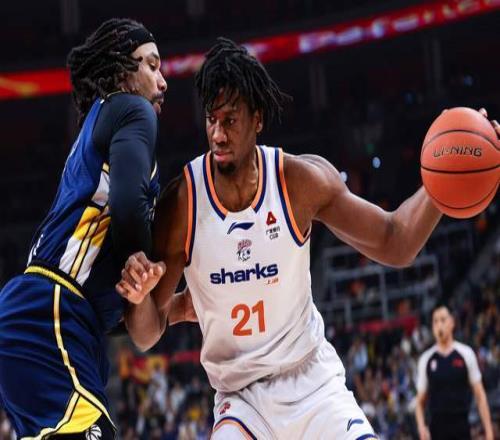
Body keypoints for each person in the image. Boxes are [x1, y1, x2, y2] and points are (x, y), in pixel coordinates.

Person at [117, 38, 500, 439]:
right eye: (212, 120)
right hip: (241, 400)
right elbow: (146, 333)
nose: (218, 134)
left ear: (257, 119)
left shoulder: (299, 182)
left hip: (313, 384)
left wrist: (442, 184)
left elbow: (396, 241)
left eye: (230, 120)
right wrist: (140, 299)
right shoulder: (183, 203)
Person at [0, 18, 170, 439]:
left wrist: (159, 305)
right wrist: (141, 266)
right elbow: (129, 207)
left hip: (54, 319)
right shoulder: (132, 110)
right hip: (52, 313)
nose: (163, 81)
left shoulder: (98, 124)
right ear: (123, 71)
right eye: (151, 65)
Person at [415, 303, 494, 440]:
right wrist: (421, 427)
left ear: (452, 322)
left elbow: (480, 395)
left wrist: (489, 432)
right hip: (437, 431)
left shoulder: (466, 354)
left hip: (462, 428)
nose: (439, 325)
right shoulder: (426, 359)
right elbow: (419, 402)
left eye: (443, 320)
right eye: (435, 321)